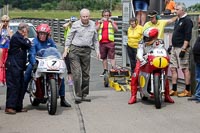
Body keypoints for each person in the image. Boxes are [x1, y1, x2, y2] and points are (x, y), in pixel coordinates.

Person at [24, 23, 71, 107]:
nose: (42, 36)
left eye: (44, 34)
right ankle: (21, 97)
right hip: (37, 62)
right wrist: (34, 63)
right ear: (38, 34)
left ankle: (63, 99)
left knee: (61, 77)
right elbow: (31, 54)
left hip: (48, 62)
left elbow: (55, 51)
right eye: (41, 34)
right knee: (27, 73)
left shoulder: (50, 41)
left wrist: (59, 59)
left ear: (47, 34)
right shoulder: (34, 42)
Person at [128, 27, 174, 104]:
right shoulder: (141, 42)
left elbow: (163, 51)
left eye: (148, 38)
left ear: (154, 37)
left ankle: (167, 96)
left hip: (156, 60)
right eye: (145, 37)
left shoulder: (160, 42)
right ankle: (133, 96)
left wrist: (167, 58)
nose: (146, 39)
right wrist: (141, 58)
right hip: (143, 60)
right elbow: (139, 52)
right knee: (135, 75)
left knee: (165, 76)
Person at [63, 8, 100, 103]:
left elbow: (95, 40)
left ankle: (84, 94)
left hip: (86, 51)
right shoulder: (75, 25)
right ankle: (78, 95)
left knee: (86, 74)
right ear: (80, 17)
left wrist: (97, 51)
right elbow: (69, 37)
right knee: (77, 74)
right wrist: (66, 49)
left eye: (87, 16)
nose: (85, 18)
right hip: (75, 50)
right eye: (83, 17)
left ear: (89, 16)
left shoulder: (92, 25)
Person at [5, 23, 32, 114]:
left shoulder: (19, 37)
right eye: (27, 31)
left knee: (20, 85)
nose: (27, 33)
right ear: (23, 30)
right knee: (13, 86)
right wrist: (26, 38)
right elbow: (28, 44)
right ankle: (10, 106)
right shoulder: (17, 37)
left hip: (19, 66)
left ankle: (18, 106)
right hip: (13, 65)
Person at [169, 2, 193, 97]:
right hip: (175, 47)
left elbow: (188, 36)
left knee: (184, 68)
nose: (175, 11)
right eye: (175, 9)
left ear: (182, 10)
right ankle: (174, 89)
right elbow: (175, 33)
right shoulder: (178, 19)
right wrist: (171, 45)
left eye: (177, 9)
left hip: (181, 47)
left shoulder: (187, 20)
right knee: (173, 68)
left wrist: (184, 49)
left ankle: (187, 90)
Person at [96, 9, 118, 76]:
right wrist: (100, 23)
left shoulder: (112, 22)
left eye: (107, 15)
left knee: (112, 57)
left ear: (110, 15)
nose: (106, 17)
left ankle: (113, 69)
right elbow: (95, 29)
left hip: (110, 42)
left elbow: (116, 30)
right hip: (102, 42)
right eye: (105, 15)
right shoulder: (99, 22)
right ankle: (105, 70)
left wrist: (112, 22)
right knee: (104, 57)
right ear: (102, 15)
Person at [188, 15, 200, 102]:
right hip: (197, 59)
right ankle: (197, 95)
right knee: (198, 78)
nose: (198, 25)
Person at [63, 16, 78, 85]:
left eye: (75, 22)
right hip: (68, 49)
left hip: (76, 49)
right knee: (69, 67)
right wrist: (69, 23)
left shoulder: (79, 28)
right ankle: (70, 79)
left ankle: (77, 78)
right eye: (72, 22)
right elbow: (64, 26)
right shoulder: (68, 28)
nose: (73, 23)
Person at [0, 15, 13, 86]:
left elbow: (12, 38)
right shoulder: (0, 29)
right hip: (1, 48)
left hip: (8, 48)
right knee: (1, 64)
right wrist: (0, 28)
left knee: (7, 64)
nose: (5, 23)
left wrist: (8, 30)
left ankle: (6, 79)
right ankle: (1, 79)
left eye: (7, 21)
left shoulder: (10, 29)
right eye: (3, 21)